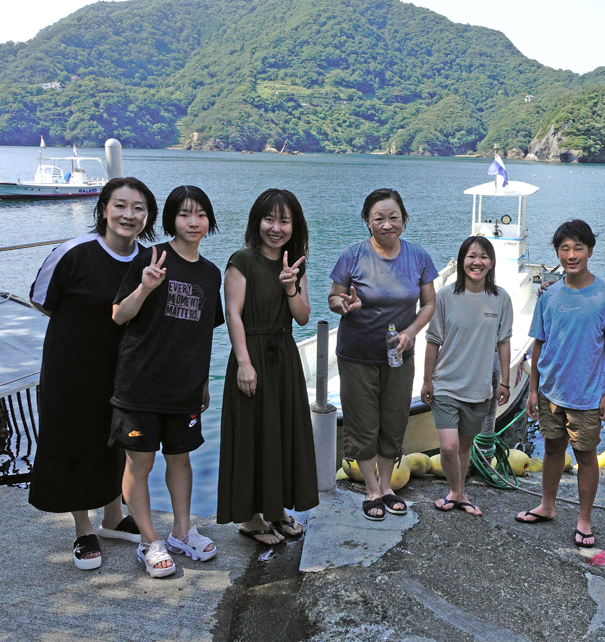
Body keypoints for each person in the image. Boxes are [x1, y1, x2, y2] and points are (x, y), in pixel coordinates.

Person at [28, 177, 158, 570]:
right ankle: (83, 528)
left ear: (147, 216)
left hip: (122, 369)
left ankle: (114, 516)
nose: (129, 215)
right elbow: (41, 300)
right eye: (120, 205)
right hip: (71, 367)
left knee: (115, 438)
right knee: (74, 438)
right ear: (103, 208)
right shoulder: (73, 252)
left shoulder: (149, 259)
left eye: (138, 208)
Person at [110, 186, 224, 578]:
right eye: (184, 214)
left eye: (201, 215)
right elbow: (119, 316)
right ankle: (148, 540)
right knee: (139, 463)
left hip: (185, 388)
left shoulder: (210, 273)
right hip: (141, 383)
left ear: (209, 221)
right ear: (171, 219)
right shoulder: (150, 257)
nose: (193, 223)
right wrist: (145, 286)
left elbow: (205, 333)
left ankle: (180, 531)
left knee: (181, 457)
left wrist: (204, 382)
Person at [328, 188, 437, 521]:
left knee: (393, 418)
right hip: (357, 354)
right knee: (362, 422)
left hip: (399, 355)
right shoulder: (352, 256)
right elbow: (333, 298)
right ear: (367, 221)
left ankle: (387, 486)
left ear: (403, 219)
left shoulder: (418, 256)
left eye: (394, 217)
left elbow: (429, 303)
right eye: (379, 218)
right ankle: (371, 489)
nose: (387, 224)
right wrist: (343, 304)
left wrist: (410, 332)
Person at [217, 188, 319, 545]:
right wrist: (244, 363)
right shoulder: (241, 261)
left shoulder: (297, 264)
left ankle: (275, 510)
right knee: (252, 435)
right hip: (253, 356)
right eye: (269, 219)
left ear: (295, 225)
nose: (276, 228)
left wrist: (292, 287)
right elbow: (233, 314)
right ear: (257, 221)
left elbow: (304, 318)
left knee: (281, 433)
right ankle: (251, 518)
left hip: (284, 358)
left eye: (284, 221)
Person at [515, 219, 605, 550]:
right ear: (558, 253)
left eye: (578, 247)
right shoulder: (550, 295)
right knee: (551, 448)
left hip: (587, 395)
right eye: (565, 248)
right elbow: (538, 343)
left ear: (590, 250)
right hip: (550, 391)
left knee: (586, 454)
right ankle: (547, 505)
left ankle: (585, 519)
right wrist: (532, 390)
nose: (571, 254)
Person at [421, 236, 513, 517]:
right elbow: (433, 340)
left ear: (492, 262)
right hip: (446, 384)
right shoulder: (446, 296)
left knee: (464, 447)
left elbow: (504, 342)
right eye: (471, 256)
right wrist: (426, 380)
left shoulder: (500, 298)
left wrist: (505, 382)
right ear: (462, 261)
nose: (477, 262)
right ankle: (456, 491)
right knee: (448, 447)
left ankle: (457, 494)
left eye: (484, 256)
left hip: (479, 387)